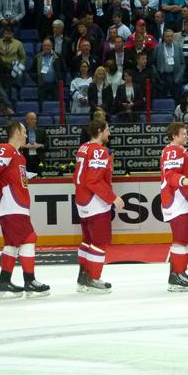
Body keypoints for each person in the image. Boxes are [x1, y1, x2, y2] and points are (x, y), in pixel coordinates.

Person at [0, 120, 50, 300]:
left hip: (16, 205)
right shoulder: (4, 149)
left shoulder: (19, 155)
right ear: (17, 132)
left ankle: (4, 283)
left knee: (11, 244)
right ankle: (30, 281)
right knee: (29, 238)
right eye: (24, 131)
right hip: (11, 205)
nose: (27, 135)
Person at [74, 119, 125, 294]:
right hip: (95, 203)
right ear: (99, 131)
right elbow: (93, 181)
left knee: (87, 241)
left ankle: (83, 277)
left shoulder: (83, 147)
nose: (109, 133)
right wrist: (113, 198)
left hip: (82, 201)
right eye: (107, 130)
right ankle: (93, 279)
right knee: (100, 242)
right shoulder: (99, 151)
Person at [160, 122, 188, 292]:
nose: (186, 136)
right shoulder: (173, 151)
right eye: (183, 134)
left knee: (185, 238)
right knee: (180, 239)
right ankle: (176, 276)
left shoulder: (176, 150)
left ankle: (181, 272)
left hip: (182, 202)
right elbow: (170, 175)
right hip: (177, 201)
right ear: (174, 136)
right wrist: (187, 181)